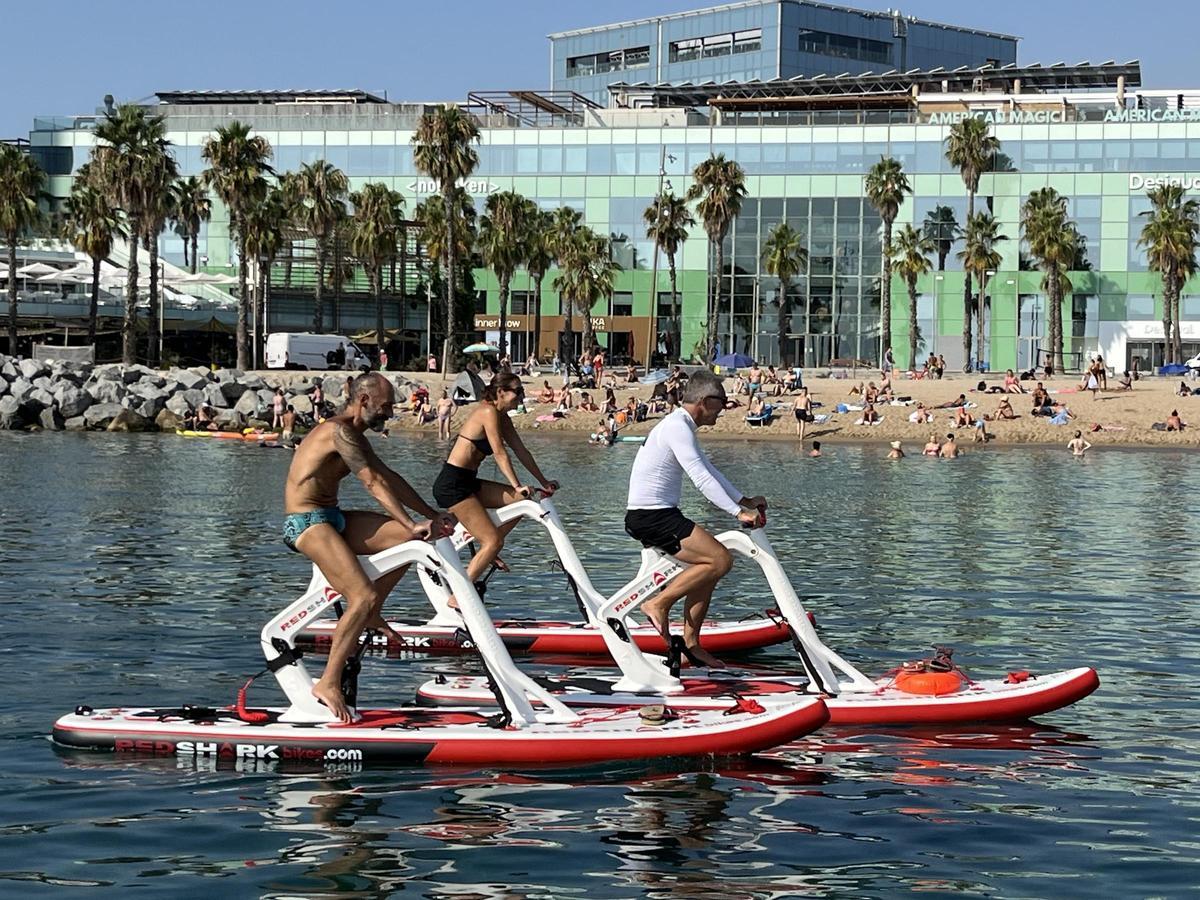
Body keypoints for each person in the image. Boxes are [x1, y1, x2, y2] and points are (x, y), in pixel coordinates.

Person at [282, 372, 453, 722]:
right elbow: (372, 484)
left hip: (333, 518)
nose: (389, 414)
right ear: (363, 401)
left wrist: (429, 516)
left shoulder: (356, 435)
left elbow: (389, 478)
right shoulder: (339, 432)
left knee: (411, 541)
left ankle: (371, 614)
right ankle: (327, 682)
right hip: (307, 523)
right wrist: (409, 520)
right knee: (361, 594)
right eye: (386, 406)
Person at [624, 371, 766, 669]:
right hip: (650, 517)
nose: (724, 409)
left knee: (711, 566)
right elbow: (700, 478)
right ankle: (657, 603)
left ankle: (691, 644)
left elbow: (709, 470)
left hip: (660, 514)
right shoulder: (677, 427)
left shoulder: (682, 426)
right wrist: (737, 513)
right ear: (704, 401)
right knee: (719, 560)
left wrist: (744, 501)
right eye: (722, 403)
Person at [432, 373, 559, 604]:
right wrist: (516, 485)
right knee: (493, 541)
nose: (521, 397)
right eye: (517, 392)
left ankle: (487, 552)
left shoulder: (502, 417)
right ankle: (457, 597)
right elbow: (500, 452)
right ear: (500, 392)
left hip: (469, 480)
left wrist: (543, 482)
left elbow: (521, 451)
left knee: (525, 503)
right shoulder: (487, 411)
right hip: (453, 484)